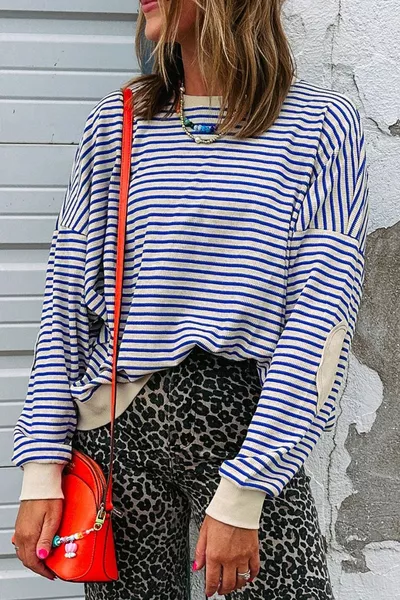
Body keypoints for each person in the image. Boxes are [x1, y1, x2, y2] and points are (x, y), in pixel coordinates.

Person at [11, 0, 370, 598]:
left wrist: (245, 491)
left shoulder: (320, 125)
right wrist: (41, 470)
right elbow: (66, 308)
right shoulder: (118, 122)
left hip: (246, 423)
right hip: (120, 432)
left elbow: (321, 320)